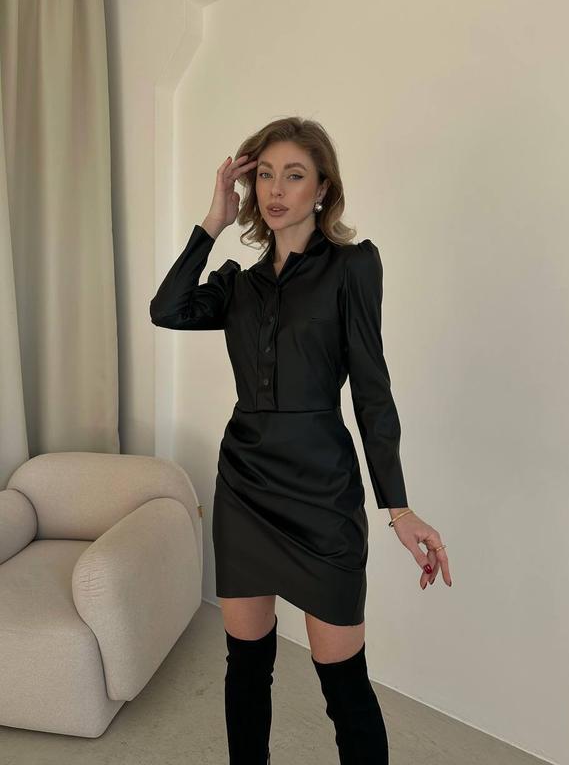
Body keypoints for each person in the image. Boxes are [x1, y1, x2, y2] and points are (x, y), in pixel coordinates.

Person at [149, 117, 452, 765]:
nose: (275, 189)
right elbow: (166, 308)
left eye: (293, 175)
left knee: (344, 686)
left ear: (322, 188)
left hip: (321, 494)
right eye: (264, 175)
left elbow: (371, 392)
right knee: (246, 668)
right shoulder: (237, 284)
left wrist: (398, 508)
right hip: (245, 489)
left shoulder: (351, 267)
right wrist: (212, 221)